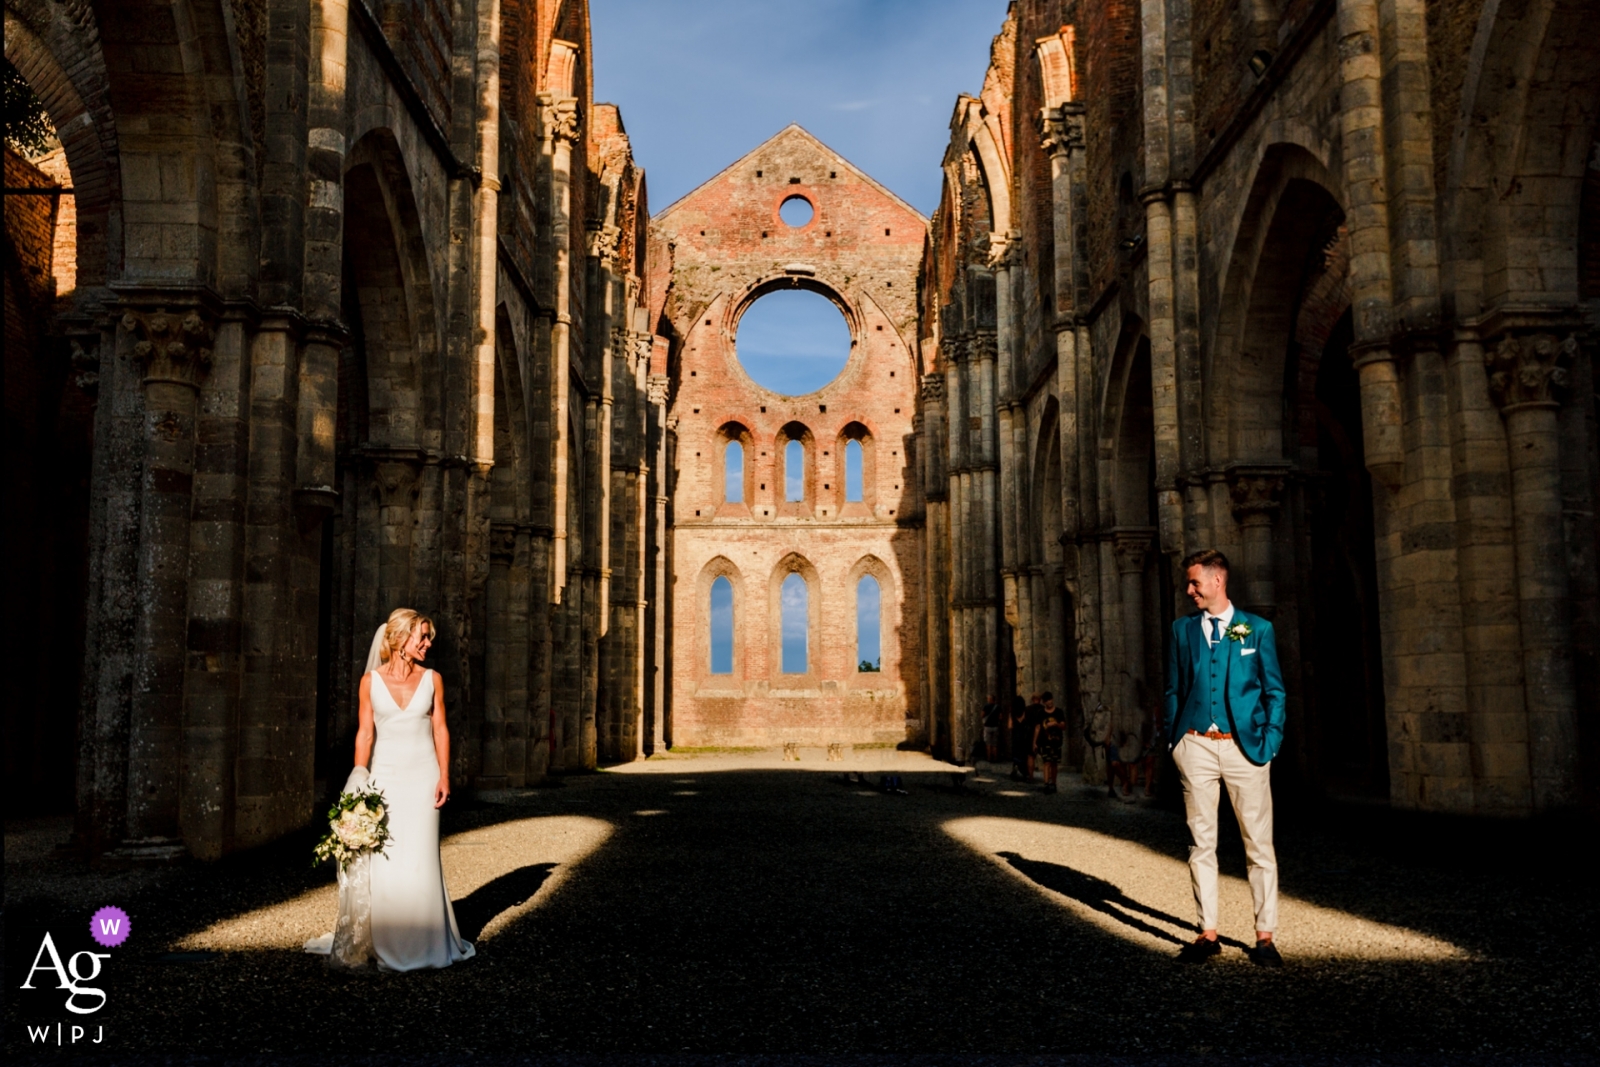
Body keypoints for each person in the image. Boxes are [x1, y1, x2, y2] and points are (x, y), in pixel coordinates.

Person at [306, 608, 476, 971]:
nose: (428, 643)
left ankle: (427, 943)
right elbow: (365, 732)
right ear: (401, 639)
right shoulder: (370, 681)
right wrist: (359, 774)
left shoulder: (433, 679)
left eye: (429, 637)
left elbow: (441, 729)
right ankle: (386, 942)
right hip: (384, 779)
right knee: (386, 859)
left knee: (421, 856)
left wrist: (444, 776)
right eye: (423, 637)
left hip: (423, 776)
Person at [1163, 549, 1286, 967]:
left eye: (1195, 582)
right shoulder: (1182, 630)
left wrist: (1270, 741)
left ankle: (1265, 937)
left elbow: (1275, 691)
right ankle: (1207, 932)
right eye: (1189, 583)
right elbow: (1174, 689)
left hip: (1244, 748)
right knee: (1201, 842)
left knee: (1258, 844)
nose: (1189, 590)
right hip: (1194, 744)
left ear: (1218, 582)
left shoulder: (1256, 630)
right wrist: (1173, 740)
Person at [1035, 692, 1066, 793]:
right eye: (1047, 700)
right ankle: (1046, 784)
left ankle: (1054, 783)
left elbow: (1063, 726)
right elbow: (1038, 727)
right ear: (1044, 702)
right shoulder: (1041, 713)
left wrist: (1056, 724)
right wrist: (1034, 742)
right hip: (1045, 741)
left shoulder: (1059, 712)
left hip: (1056, 740)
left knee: (1054, 763)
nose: (1049, 702)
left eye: (1050, 699)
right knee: (1046, 762)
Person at [1008, 695, 1035, 781]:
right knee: (1029, 756)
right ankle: (1030, 775)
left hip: (1017, 736)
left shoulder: (1012, 713)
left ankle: (1017, 769)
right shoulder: (1026, 712)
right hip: (1026, 736)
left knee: (1017, 754)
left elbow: (1010, 726)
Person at [982, 694, 1003, 763]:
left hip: (987, 726)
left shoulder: (986, 706)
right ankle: (995, 759)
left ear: (990, 699)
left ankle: (989, 758)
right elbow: (1000, 717)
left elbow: (982, 715)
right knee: (994, 744)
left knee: (988, 743)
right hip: (995, 726)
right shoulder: (998, 707)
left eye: (988, 698)